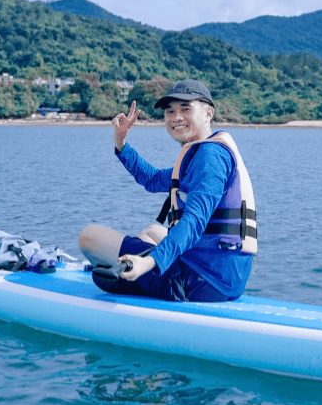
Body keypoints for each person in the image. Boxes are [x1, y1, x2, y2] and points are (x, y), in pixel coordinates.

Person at [78, 79, 257, 302]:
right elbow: (152, 179)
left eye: (185, 109)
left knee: (88, 237)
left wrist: (149, 261)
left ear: (208, 112)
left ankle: (149, 271)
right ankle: (145, 267)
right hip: (226, 274)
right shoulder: (203, 153)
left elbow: (193, 222)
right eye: (170, 111)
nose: (176, 117)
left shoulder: (210, 157)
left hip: (202, 281)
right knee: (151, 231)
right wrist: (121, 143)